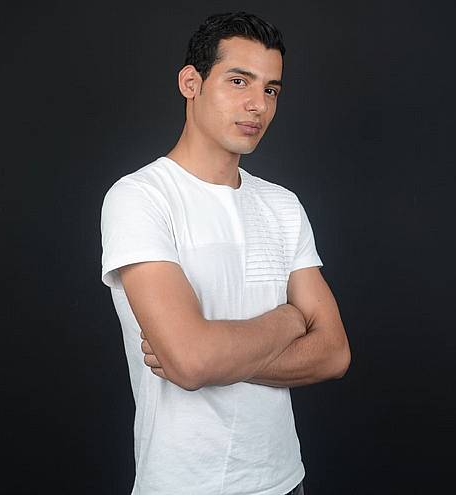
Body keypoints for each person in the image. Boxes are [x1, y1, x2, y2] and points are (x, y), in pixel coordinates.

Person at [100, 11, 350, 495]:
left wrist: (214, 356)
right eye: (239, 81)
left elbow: (334, 354)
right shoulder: (140, 198)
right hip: (184, 484)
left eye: (271, 89)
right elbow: (192, 360)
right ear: (190, 83)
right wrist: (289, 320)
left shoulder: (282, 205)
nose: (258, 104)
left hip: (285, 481)